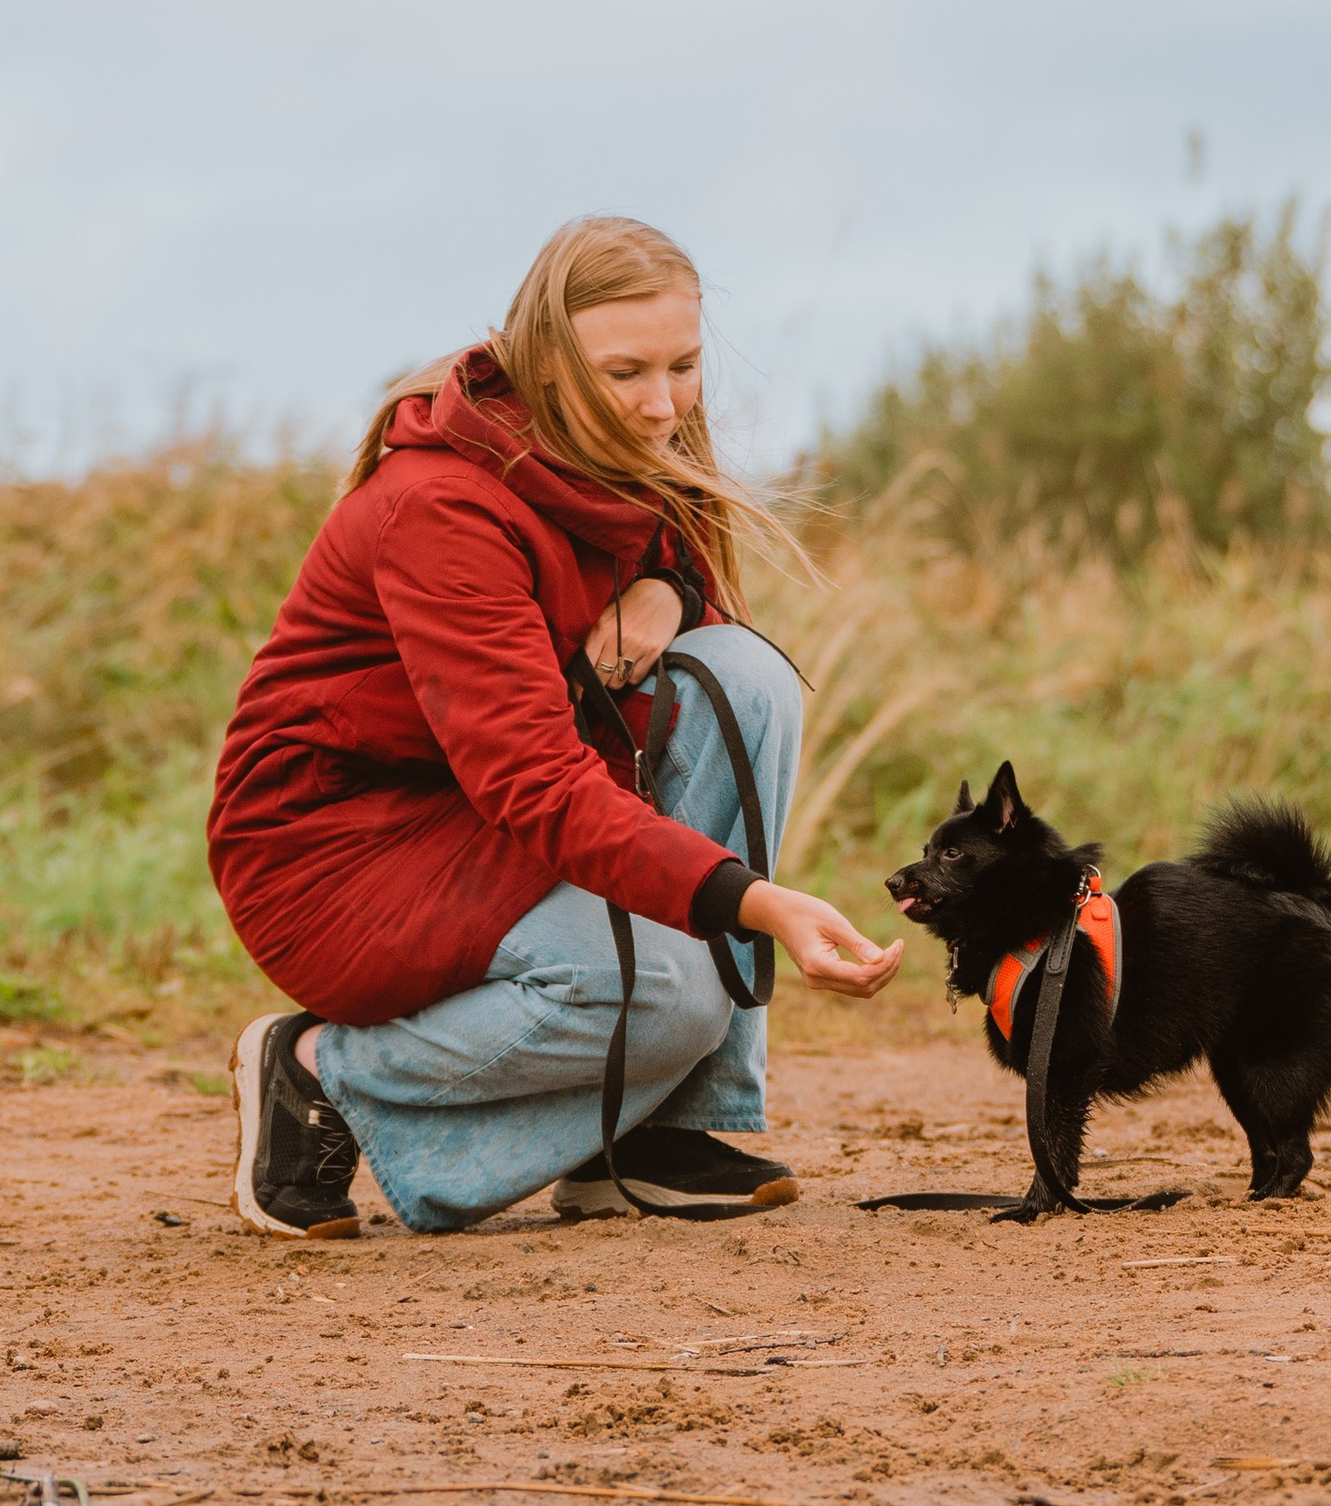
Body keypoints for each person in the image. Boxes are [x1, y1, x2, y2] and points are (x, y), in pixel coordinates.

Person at [209, 215, 902, 1237]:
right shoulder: (443, 505)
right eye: (625, 371)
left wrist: (669, 588)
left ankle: (664, 1136)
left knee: (741, 673)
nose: (662, 403)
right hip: (335, 845)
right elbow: (532, 780)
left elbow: (653, 645)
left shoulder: (629, 452)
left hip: (475, 815)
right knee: (677, 995)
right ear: (546, 360)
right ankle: (318, 1067)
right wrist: (755, 904)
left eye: (683, 365)